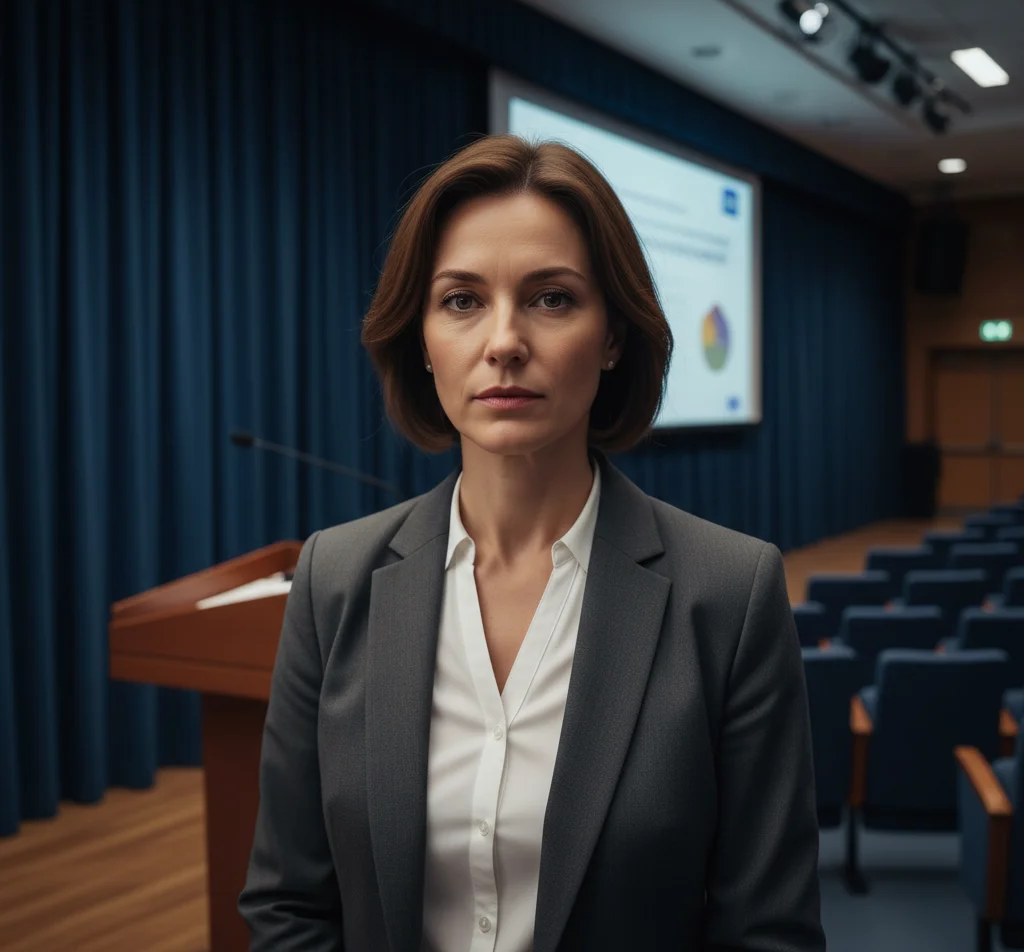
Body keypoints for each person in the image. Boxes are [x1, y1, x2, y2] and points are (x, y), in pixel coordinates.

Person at [239, 135, 824, 951]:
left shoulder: (729, 593)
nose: (504, 340)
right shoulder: (334, 580)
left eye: (551, 299)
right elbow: (289, 905)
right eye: (462, 300)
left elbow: (768, 932)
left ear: (613, 336)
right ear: (422, 338)